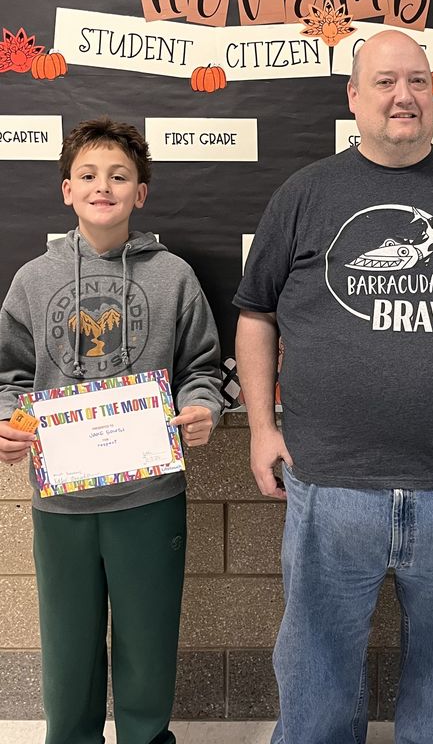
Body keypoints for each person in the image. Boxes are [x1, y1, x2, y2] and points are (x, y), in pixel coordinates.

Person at [234, 28, 433, 744]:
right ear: (353, 96)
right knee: (314, 678)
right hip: (332, 486)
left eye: (417, 82)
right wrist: (259, 427)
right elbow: (255, 314)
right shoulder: (307, 192)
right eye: (384, 81)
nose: (403, 96)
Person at [0, 117, 223, 744]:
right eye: (89, 175)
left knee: (148, 642)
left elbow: (202, 368)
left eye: (120, 176)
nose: (105, 186)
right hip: (61, 500)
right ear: (66, 190)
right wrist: (6, 422)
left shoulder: (173, 276)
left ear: (141, 192)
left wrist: (202, 406)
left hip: (149, 496)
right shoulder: (33, 280)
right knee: (67, 647)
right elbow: (10, 375)